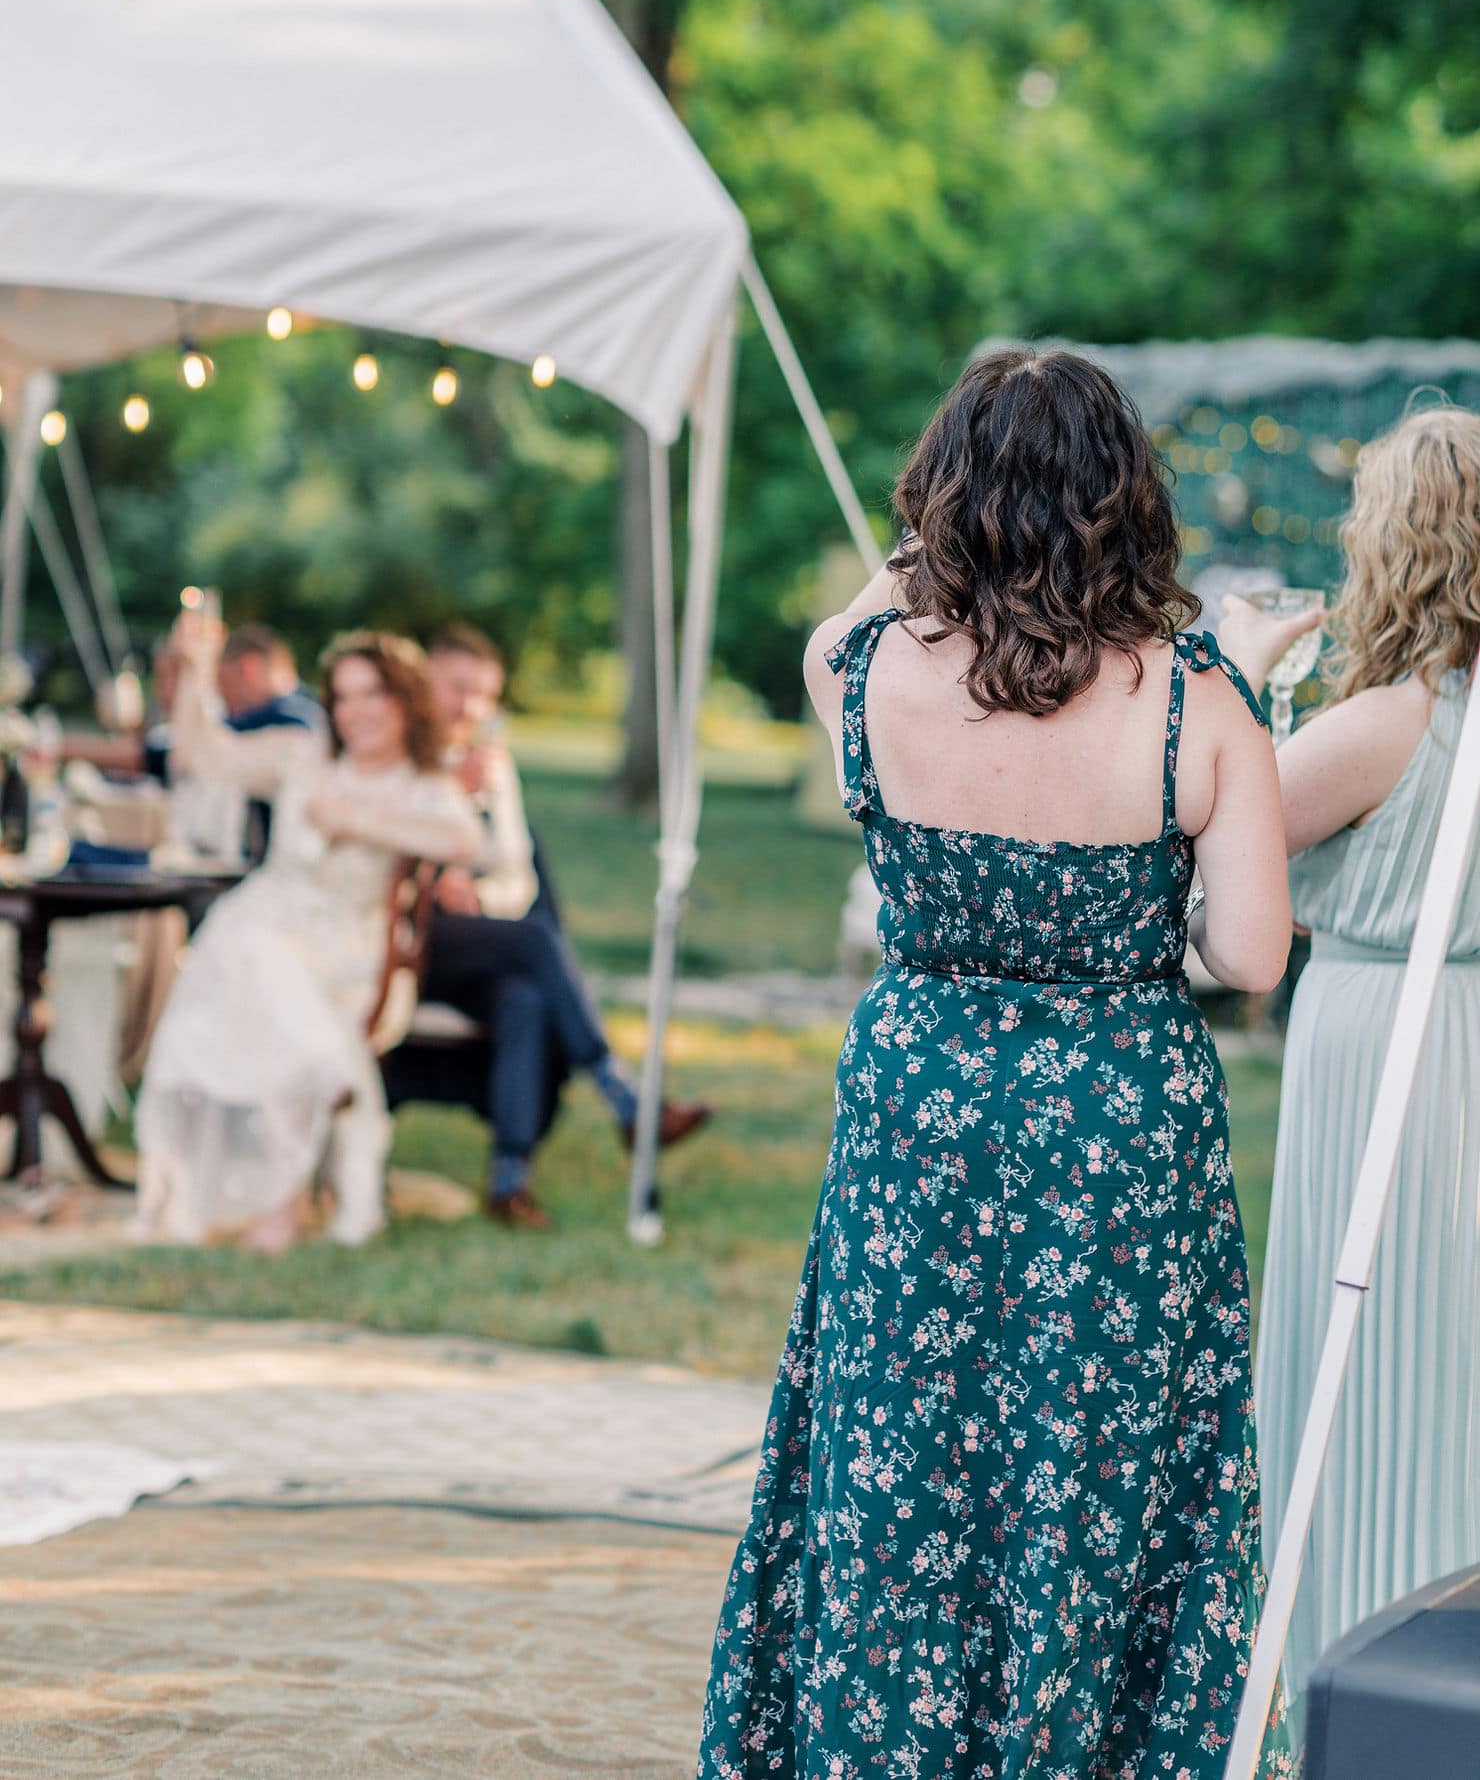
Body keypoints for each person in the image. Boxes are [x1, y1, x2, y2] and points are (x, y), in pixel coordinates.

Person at [696, 349, 1296, 1779]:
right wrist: (1253, 696)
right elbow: (1253, 955)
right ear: (1127, 502)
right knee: (1098, 1461)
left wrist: (916, 562)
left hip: (924, 1101)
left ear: (945, 501)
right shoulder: (1199, 703)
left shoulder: (861, 671)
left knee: (901, 1446)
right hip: (1116, 1116)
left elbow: (853, 618)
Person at [1221, 404, 1480, 1718]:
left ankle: (1341, 1655)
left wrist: (1242, 676)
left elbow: (1222, 845)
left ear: (1394, 545)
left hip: (1387, 1045)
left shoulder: (1390, 723)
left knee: (1361, 1339)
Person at [134, 621, 481, 1252]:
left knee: (254, 968)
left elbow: (466, 842)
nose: (356, 713)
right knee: (248, 955)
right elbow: (202, 754)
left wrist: (360, 820)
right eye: (343, 697)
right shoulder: (303, 755)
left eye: (371, 695)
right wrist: (196, 670)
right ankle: (300, 1139)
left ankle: (284, 1199)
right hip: (261, 924)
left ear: (403, 700)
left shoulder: (422, 785)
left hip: (345, 950)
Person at [382, 624, 711, 1228]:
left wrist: (477, 895)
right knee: (536, 940)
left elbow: (517, 877)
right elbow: (381, 847)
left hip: (476, 940)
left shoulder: (493, 766)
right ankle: (626, 1100)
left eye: (485, 696)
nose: (470, 707)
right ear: (425, 678)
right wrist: (443, 826)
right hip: (402, 943)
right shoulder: (397, 749)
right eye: (458, 688)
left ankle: (510, 1182)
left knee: (526, 997)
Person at [217, 624, 325, 861]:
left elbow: (207, 747)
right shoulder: (310, 706)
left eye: (224, 685)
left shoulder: (284, 716)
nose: (226, 702)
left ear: (249, 668)